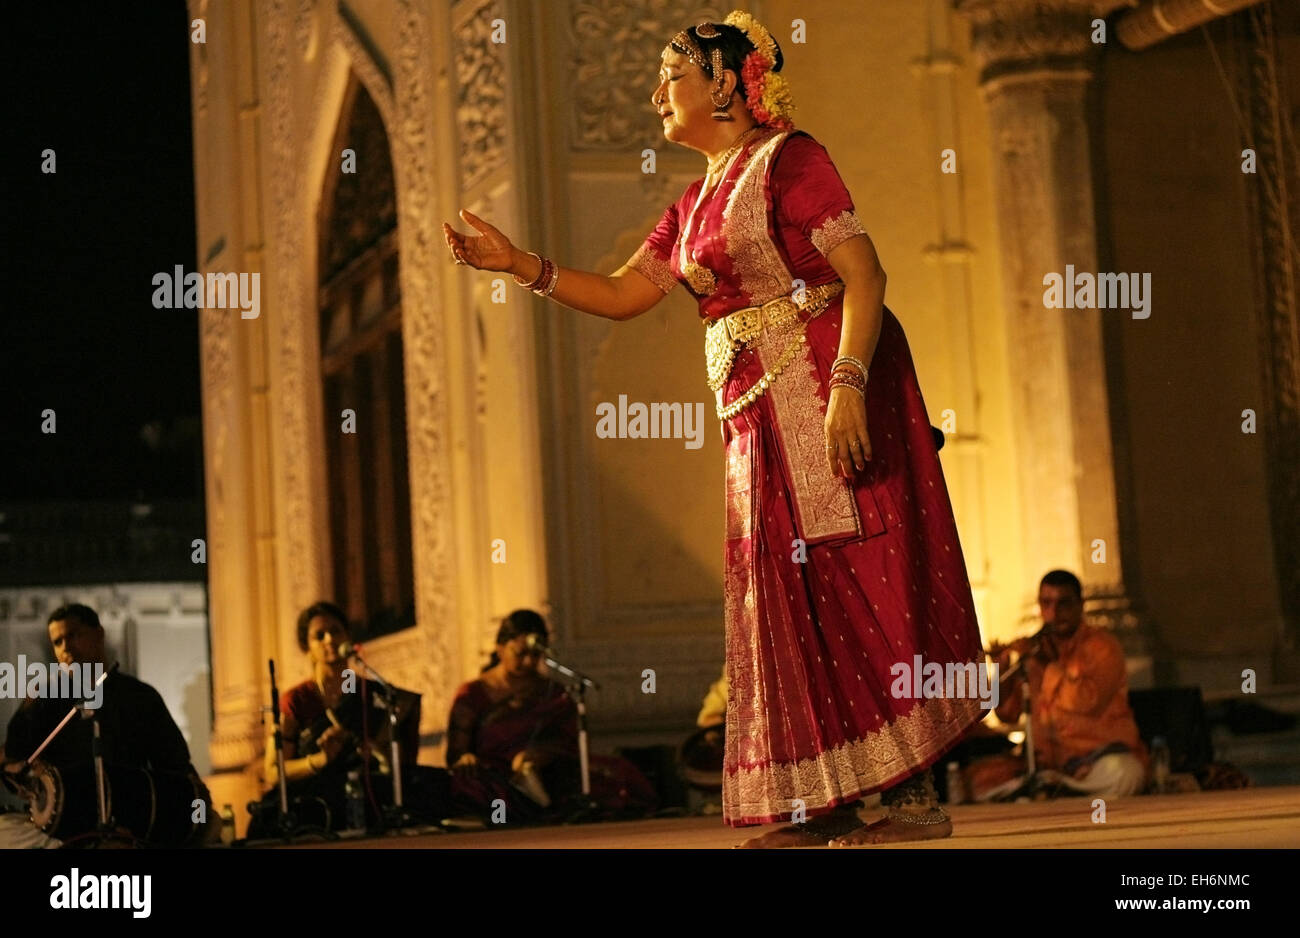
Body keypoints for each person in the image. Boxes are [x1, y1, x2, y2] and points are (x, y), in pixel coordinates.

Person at [442, 11, 985, 847]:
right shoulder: (692, 203)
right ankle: (820, 805)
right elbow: (627, 294)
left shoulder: (791, 159)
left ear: (728, 83)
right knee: (780, 604)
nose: (656, 90)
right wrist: (519, 266)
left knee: (860, 586)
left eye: (672, 72)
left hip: (824, 399)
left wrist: (847, 387)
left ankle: (912, 804)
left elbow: (865, 274)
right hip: (753, 427)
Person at [1, 603, 217, 847]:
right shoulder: (44, 700)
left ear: (99, 634)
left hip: (126, 815)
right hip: (60, 823)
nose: (66, 649)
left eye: (74, 635)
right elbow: (11, 759)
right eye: (58, 642)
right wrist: (23, 774)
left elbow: (175, 765)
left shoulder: (140, 697)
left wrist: (201, 807)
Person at [446, 610, 657, 823]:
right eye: (520, 654)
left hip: (548, 769)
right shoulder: (473, 693)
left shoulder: (552, 691)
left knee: (615, 771)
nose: (528, 662)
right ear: (500, 648)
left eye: (535, 655)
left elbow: (568, 742)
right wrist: (465, 758)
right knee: (477, 788)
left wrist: (538, 756)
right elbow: (455, 754)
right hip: (496, 772)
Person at [251, 601, 442, 835]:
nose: (329, 639)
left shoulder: (365, 691)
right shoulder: (298, 699)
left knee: (430, 787)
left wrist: (376, 750)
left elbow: (400, 763)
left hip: (366, 789)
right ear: (306, 646)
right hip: (314, 797)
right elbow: (273, 772)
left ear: (348, 637)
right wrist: (320, 759)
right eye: (319, 636)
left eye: (336, 631)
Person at [979, 570, 1148, 798]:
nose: (1054, 613)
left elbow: (1088, 702)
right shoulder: (1034, 651)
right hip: (1047, 765)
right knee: (978, 780)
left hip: (1095, 758)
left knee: (1125, 773)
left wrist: (1049, 666)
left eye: (1064, 604)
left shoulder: (1102, 647)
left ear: (1081, 605)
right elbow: (1007, 714)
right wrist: (999, 668)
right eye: (1046, 604)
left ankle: (1062, 790)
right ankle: (1052, 787)